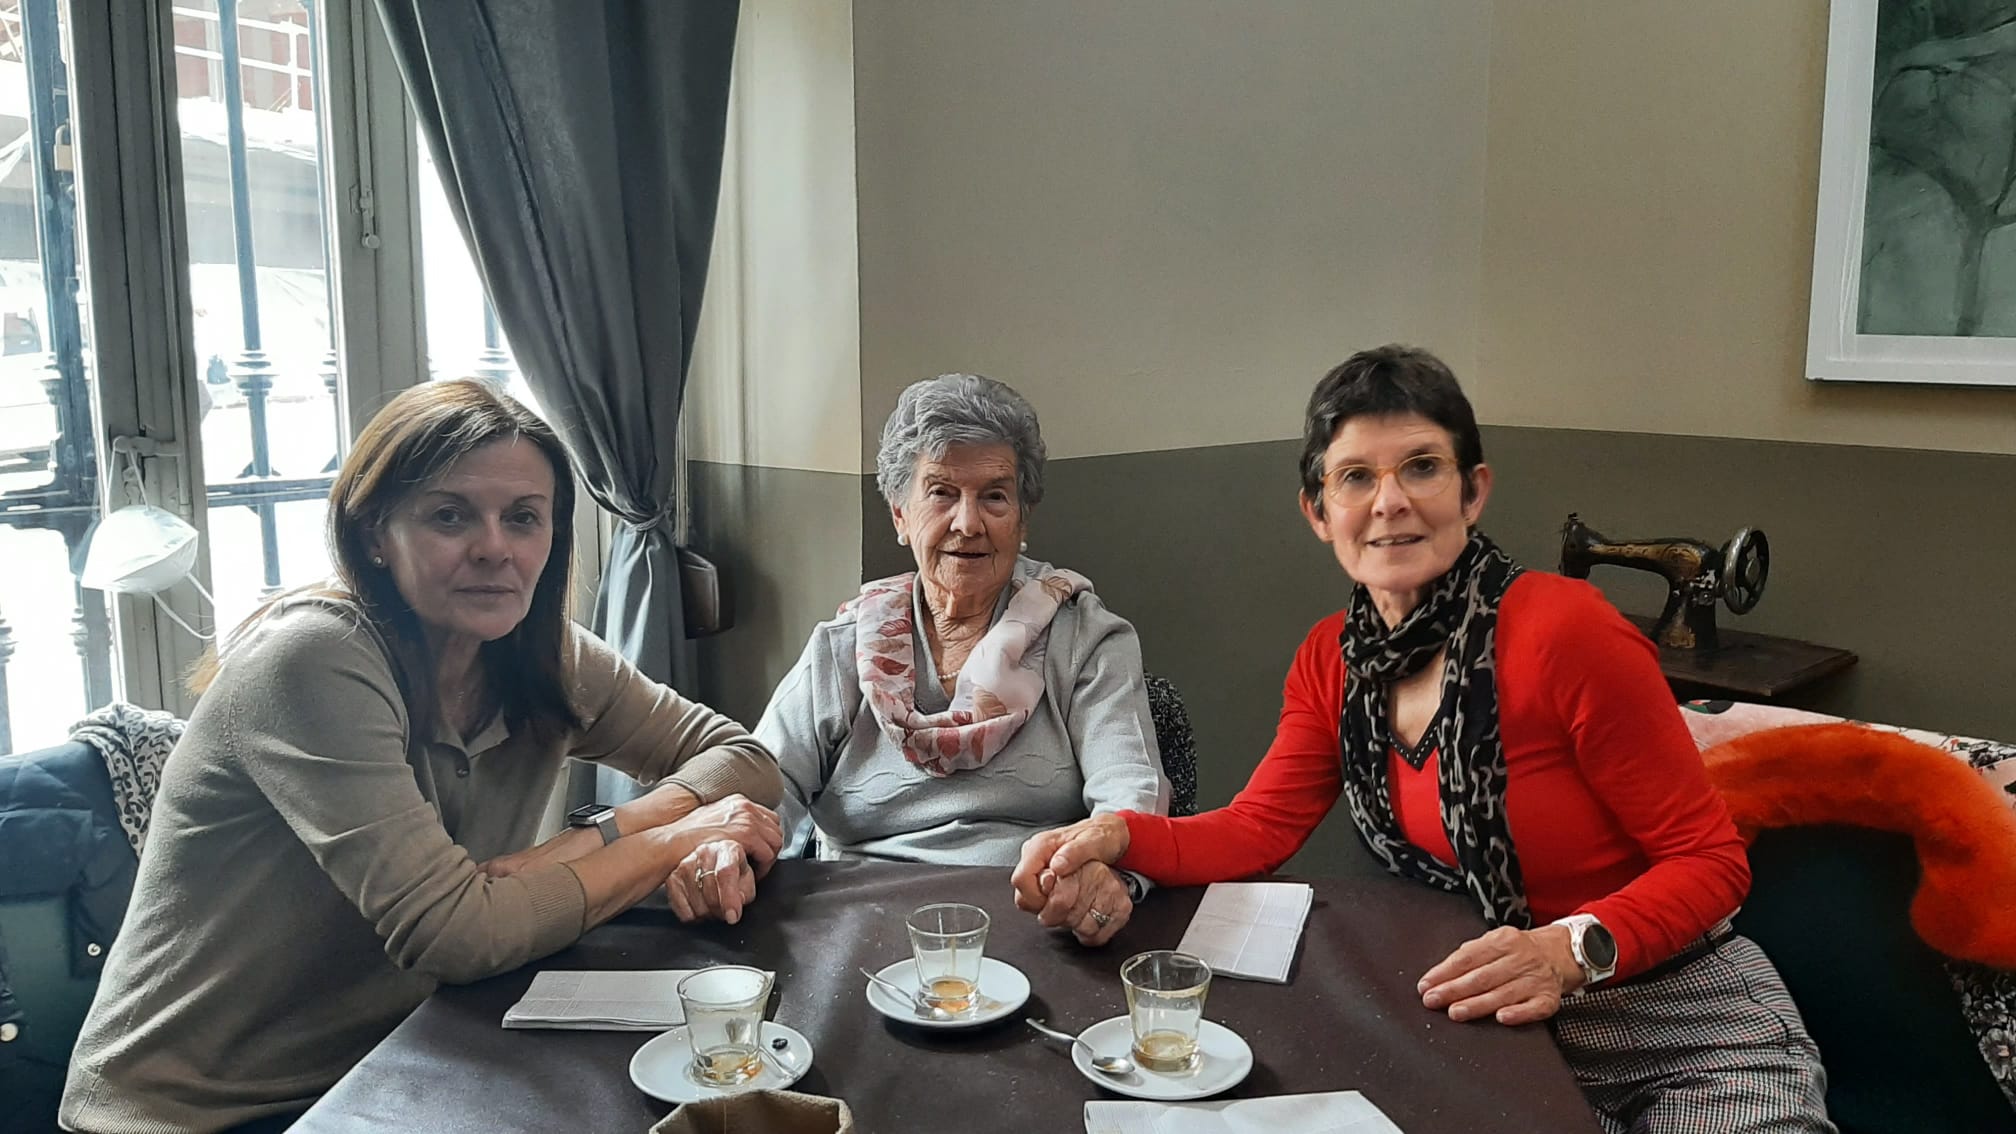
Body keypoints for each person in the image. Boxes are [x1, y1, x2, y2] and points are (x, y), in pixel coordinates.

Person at [1015, 346, 1834, 1133]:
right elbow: (1257, 829)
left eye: (1422, 466)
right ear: (1318, 510)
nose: (1390, 501)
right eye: (1356, 477)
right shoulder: (1330, 660)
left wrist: (1567, 950)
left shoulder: (1567, 633)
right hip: (1494, 1029)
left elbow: (1713, 864)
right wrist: (1117, 835)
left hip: (1680, 1025)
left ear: (1473, 491)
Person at [61, 380, 785, 1133]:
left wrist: (605, 831)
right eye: (450, 516)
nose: (494, 548)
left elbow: (742, 757)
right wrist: (677, 838)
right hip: (198, 1112)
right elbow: (459, 935)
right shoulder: (313, 659)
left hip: (398, 1063)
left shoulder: (545, 656)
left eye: (523, 519)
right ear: (375, 532)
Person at [754, 373, 1167, 943]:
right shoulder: (845, 644)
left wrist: (1105, 869)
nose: (968, 522)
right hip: (857, 927)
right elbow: (762, 786)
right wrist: (730, 846)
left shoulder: (1082, 635)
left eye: (994, 496)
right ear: (901, 515)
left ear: (1023, 520)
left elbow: (1132, 791)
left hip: (1032, 921)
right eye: (942, 492)